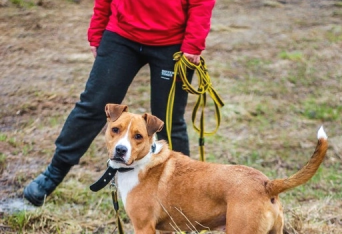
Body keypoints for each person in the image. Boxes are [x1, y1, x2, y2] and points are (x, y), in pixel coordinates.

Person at [24, 0, 216, 206]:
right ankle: (53, 174)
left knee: (169, 121)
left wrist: (193, 43)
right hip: (122, 36)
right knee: (93, 106)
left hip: (172, 42)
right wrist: (97, 31)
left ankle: (182, 196)